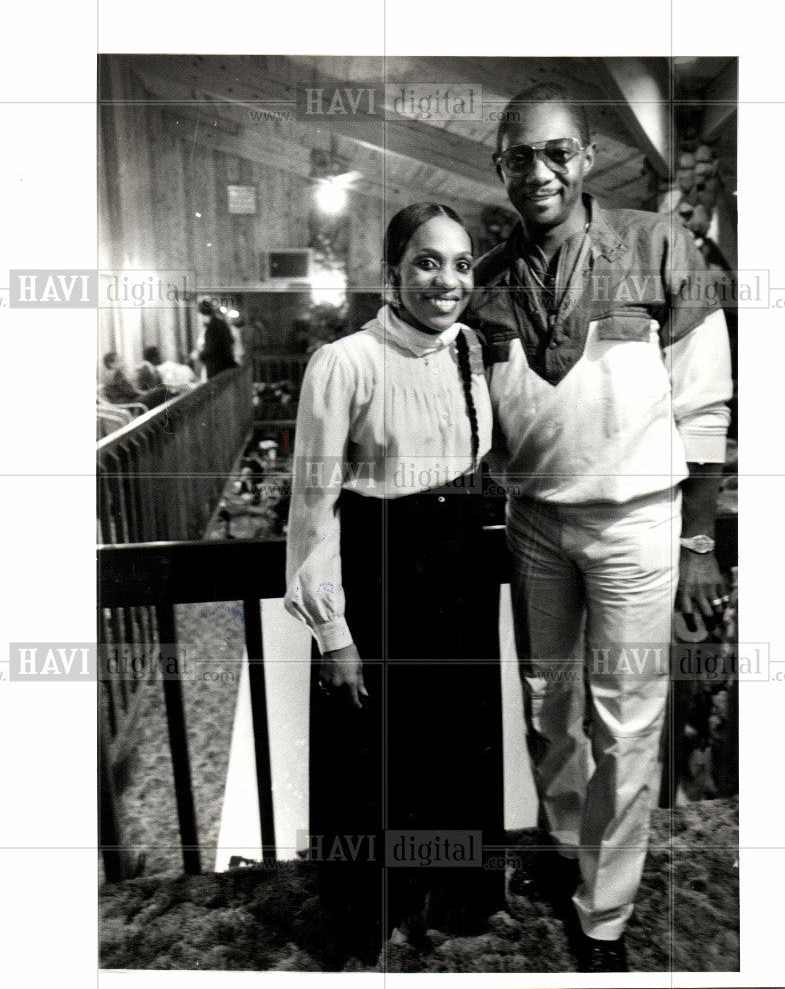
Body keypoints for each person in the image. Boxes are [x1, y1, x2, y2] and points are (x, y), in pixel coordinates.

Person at [471, 84, 733, 973]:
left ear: (585, 159)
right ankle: (563, 850)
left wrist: (697, 541)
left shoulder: (659, 244)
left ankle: (605, 916)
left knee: (626, 722)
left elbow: (703, 404)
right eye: (518, 156)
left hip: (637, 522)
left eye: (555, 153)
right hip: (534, 520)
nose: (537, 171)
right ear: (498, 165)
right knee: (549, 709)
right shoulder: (489, 279)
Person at [285, 204, 505, 969]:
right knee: (373, 755)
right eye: (425, 262)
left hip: (461, 575)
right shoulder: (342, 362)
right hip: (381, 578)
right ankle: (366, 913)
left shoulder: (473, 350)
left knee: (453, 750)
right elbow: (311, 507)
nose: (446, 280)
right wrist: (332, 632)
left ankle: (450, 900)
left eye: (460, 264)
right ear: (391, 272)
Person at [197, 298, 237, 379]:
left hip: (215, 367)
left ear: (201, 314)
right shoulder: (222, 323)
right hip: (226, 364)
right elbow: (231, 340)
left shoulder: (211, 328)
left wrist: (198, 355)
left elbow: (211, 349)